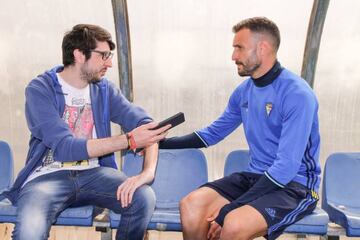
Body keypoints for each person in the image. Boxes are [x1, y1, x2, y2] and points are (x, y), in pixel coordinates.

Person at [1, 24, 170, 240]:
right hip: (47, 177)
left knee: (143, 197)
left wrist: (147, 173)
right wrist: (129, 140)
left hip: (94, 174)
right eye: (103, 56)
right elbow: (65, 148)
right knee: (30, 230)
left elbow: (148, 126)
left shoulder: (104, 89)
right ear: (79, 54)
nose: (109, 63)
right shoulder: (39, 89)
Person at [160, 17, 321, 240]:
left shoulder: (297, 94)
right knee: (191, 205)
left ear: (262, 48)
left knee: (233, 224)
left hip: (296, 186)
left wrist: (231, 208)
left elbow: (286, 167)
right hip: (257, 176)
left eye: (239, 48)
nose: (233, 56)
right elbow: (212, 134)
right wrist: (160, 143)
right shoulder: (244, 91)